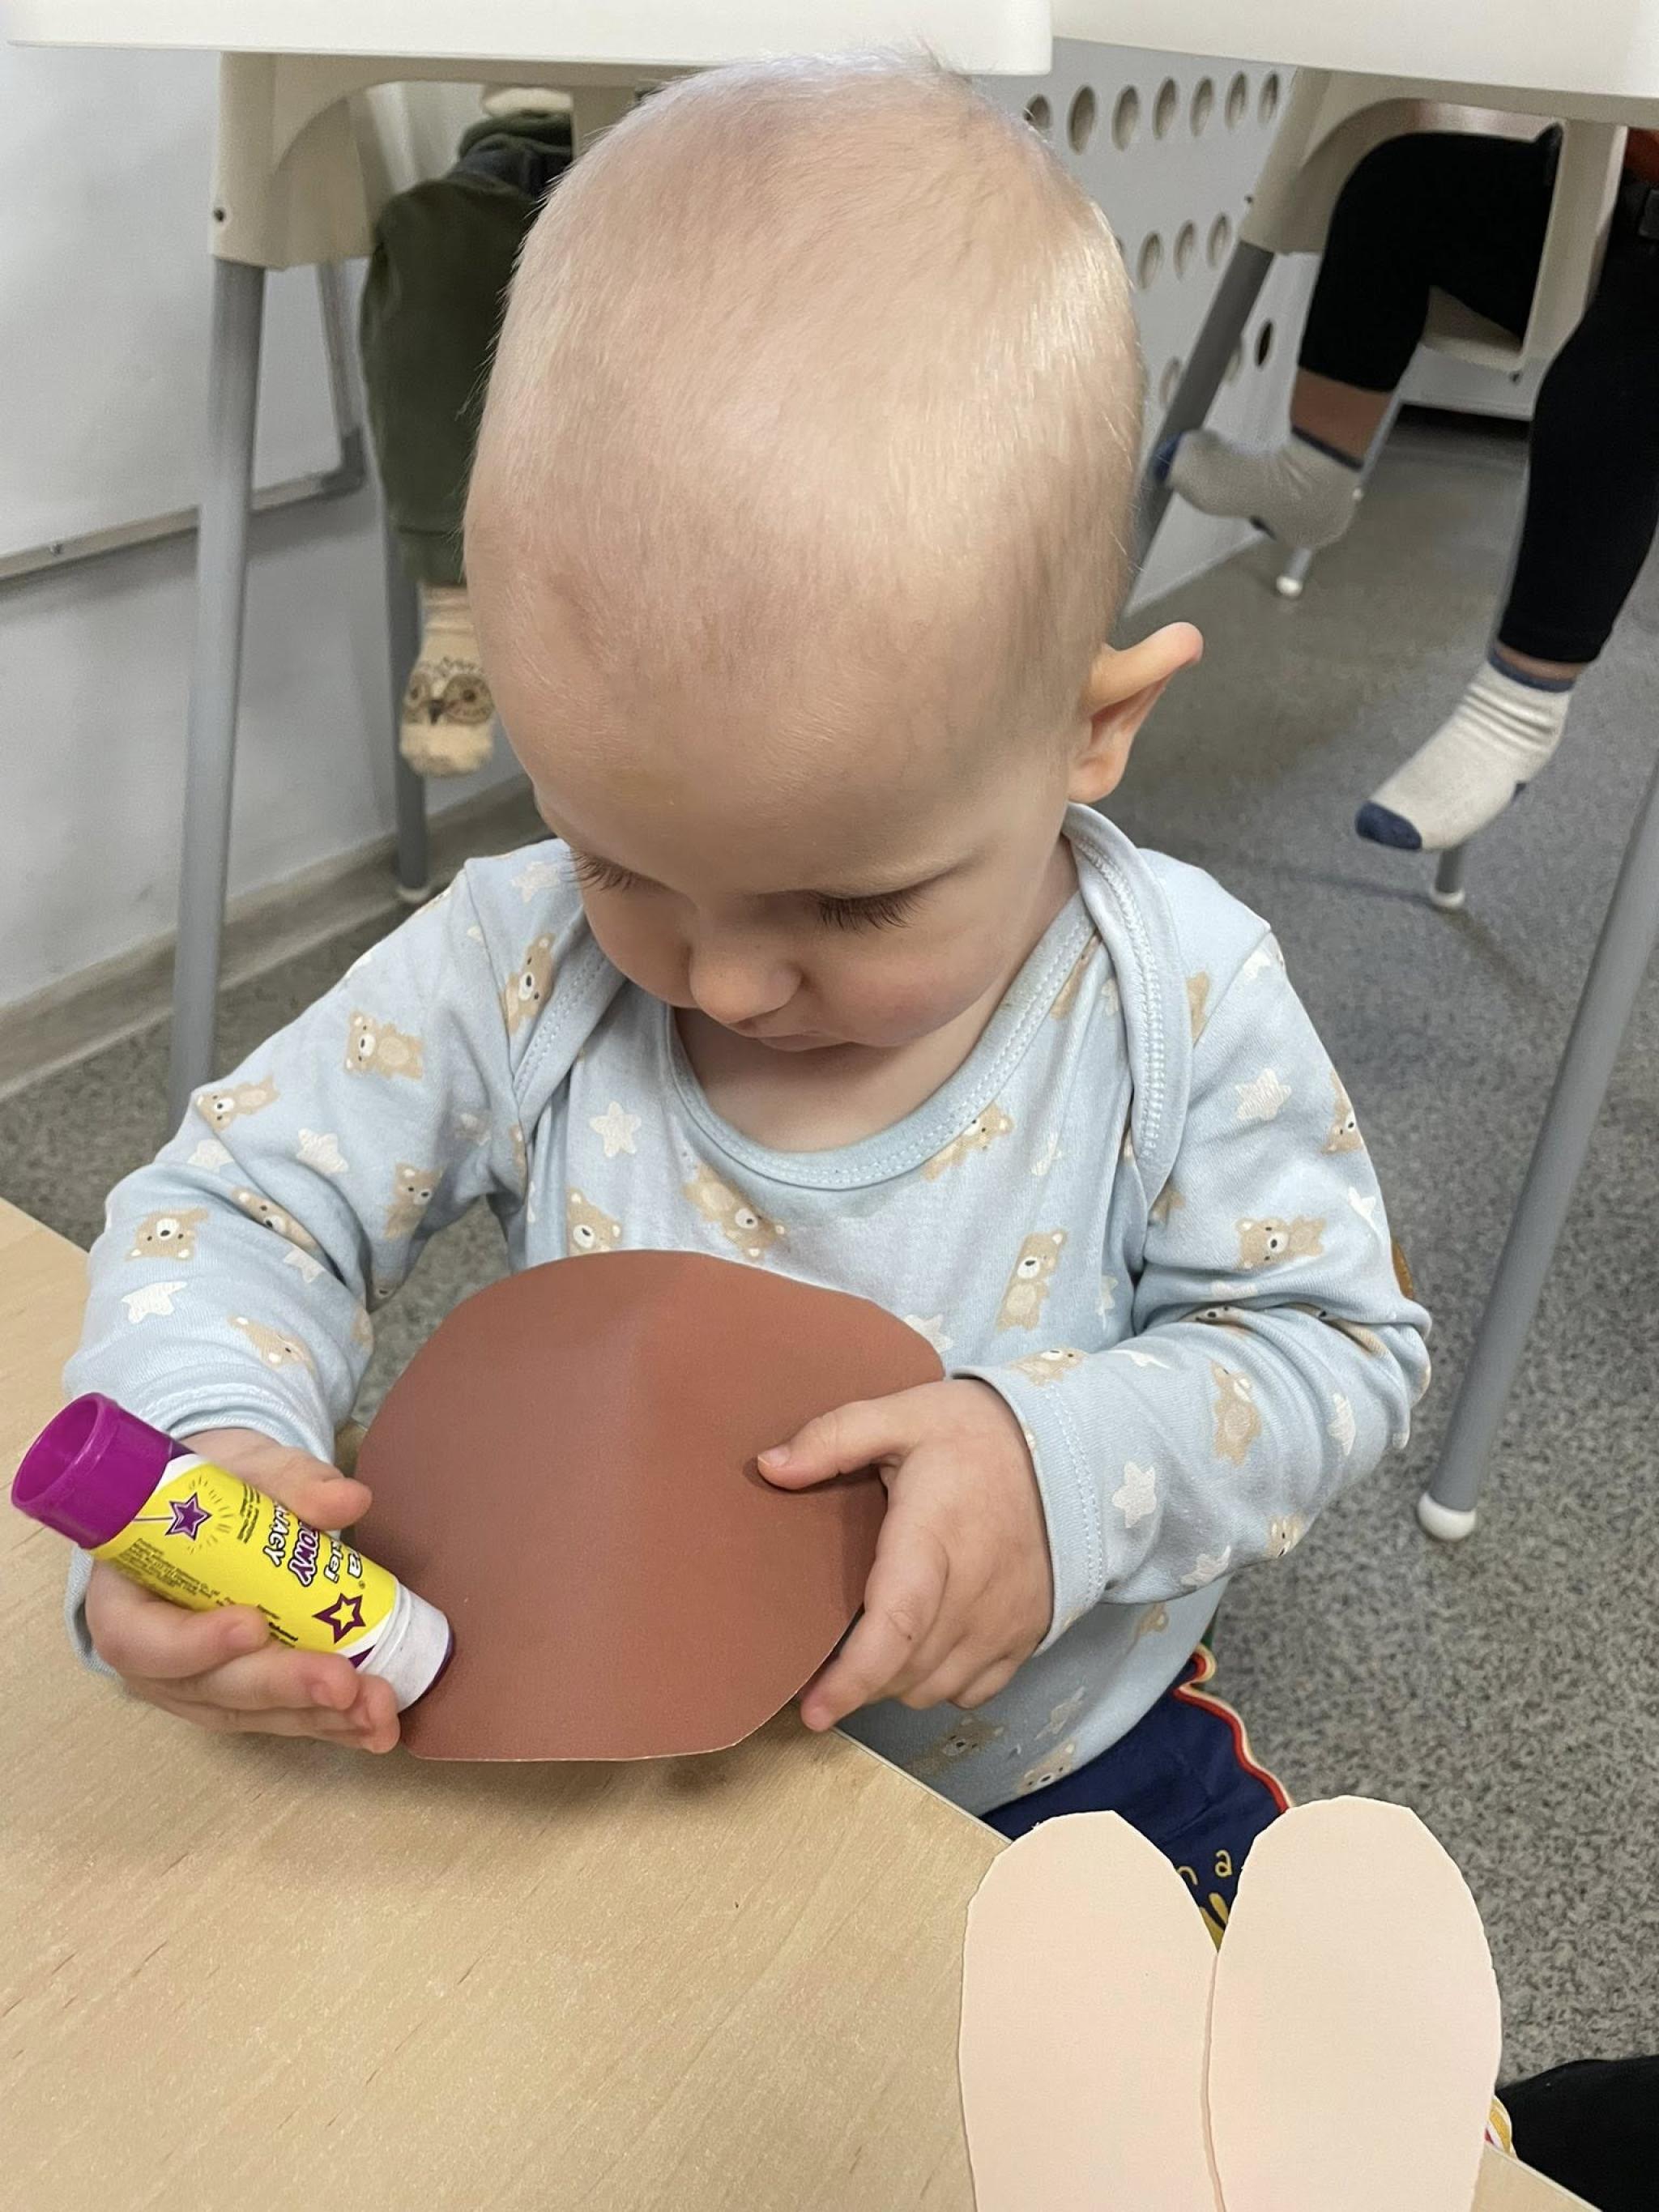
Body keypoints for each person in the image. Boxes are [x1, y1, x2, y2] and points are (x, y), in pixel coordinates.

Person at [61, 55, 1427, 1899]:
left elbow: (1335, 1349)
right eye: (619, 858)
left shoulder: (1169, 996)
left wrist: (1060, 1463)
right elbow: (235, 1204)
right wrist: (206, 1445)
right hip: (594, 1744)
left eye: (846, 905)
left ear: (1088, 731)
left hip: (1045, 1759)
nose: (719, 980)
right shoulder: (521, 955)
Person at [1162, 126, 1659, 855]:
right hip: (1600, 196)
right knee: (1399, 184)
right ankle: (1311, 478)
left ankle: (1521, 705)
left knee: (1636, 354)